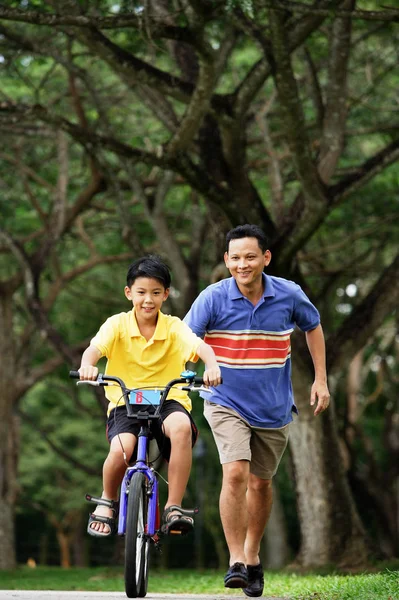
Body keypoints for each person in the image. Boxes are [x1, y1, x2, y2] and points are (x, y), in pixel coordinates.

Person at [184, 224, 330, 596]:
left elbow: (312, 328)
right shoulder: (213, 298)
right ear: (226, 260)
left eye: (250, 256)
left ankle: (252, 554)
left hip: (273, 405)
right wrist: (184, 375)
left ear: (265, 258)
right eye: (235, 257)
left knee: (261, 484)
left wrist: (320, 380)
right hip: (224, 400)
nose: (242, 264)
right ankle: (235, 561)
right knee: (235, 473)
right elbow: (186, 339)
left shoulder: (289, 294)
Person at [78, 255, 221, 538]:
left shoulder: (174, 326)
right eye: (141, 292)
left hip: (169, 399)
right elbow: (94, 349)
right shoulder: (117, 324)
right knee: (123, 449)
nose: (148, 300)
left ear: (166, 294)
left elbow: (200, 347)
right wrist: (87, 365)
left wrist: (213, 365)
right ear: (129, 293)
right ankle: (107, 500)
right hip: (126, 400)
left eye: (156, 293)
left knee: (180, 429)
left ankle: (174, 506)